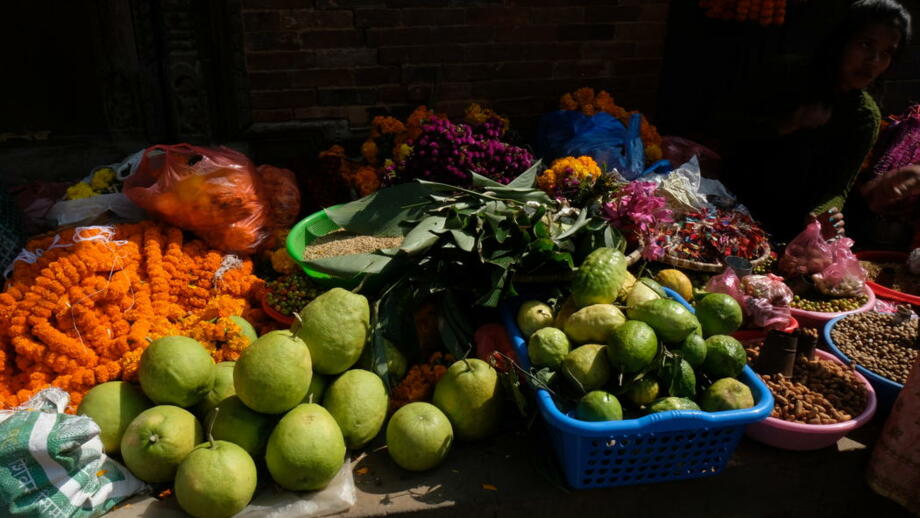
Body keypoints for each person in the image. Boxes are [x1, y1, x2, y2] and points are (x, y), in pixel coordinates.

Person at [712, 0, 912, 241]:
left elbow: (838, 187)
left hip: (785, 230)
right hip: (727, 204)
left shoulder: (865, 117)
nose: (874, 60)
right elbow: (724, 128)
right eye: (866, 45)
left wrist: (823, 215)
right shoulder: (787, 73)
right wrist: (786, 124)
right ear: (842, 41)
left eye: (887, 53)